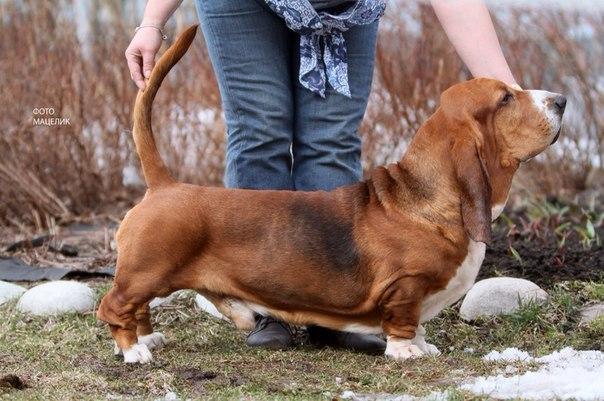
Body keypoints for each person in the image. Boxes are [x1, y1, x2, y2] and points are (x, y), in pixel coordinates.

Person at [125, 0, 519, 352]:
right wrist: (152, 21)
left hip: (343, 10)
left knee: (331, 138)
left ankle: (339, 305)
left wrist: (515, 100)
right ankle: (266, 302)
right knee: (261, 129)